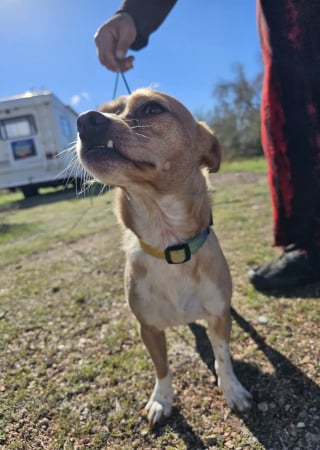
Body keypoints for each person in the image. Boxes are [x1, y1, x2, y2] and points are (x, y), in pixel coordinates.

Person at [94, 0, 320, 293]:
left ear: (204, 147)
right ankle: (310, 249)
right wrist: (133, 13)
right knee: (298, 123)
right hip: (291, 36)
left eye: (150, 110)